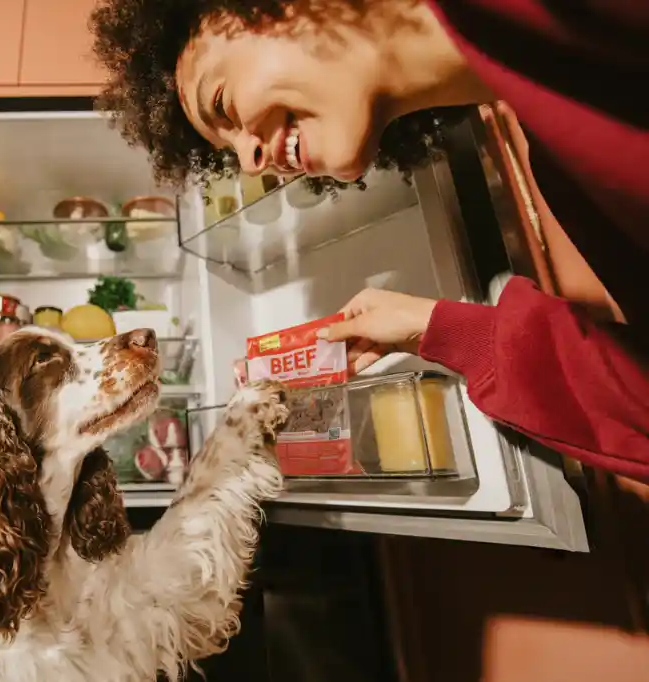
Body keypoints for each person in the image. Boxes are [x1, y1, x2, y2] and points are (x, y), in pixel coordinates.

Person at [90, 0, 649, 482]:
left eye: (222, 103)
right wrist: (439, 329)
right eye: (229, 147)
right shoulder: (558, 168)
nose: (248, 161)